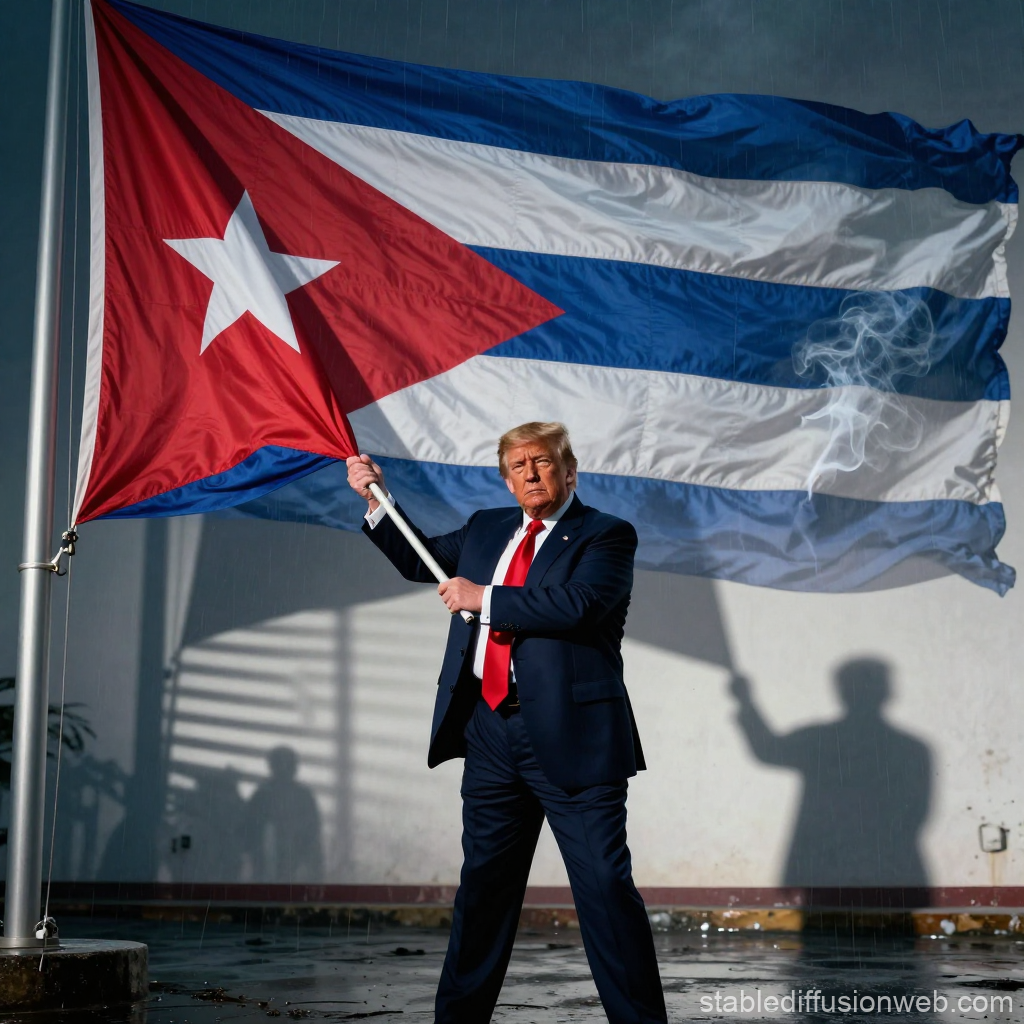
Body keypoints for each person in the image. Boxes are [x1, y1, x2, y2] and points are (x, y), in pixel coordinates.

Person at [347, 421, 666, 1024]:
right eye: (517, 466)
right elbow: (423, 563)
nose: (531, 474)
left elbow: (580, 605)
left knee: (603, 888)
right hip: (490, 733)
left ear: (569, 470)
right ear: (506, 478)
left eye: (542, 462)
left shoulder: (606, 535)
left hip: (576, 741)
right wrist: (377, 502)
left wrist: (483, 598)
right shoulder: (486, 528)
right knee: (484, 889)